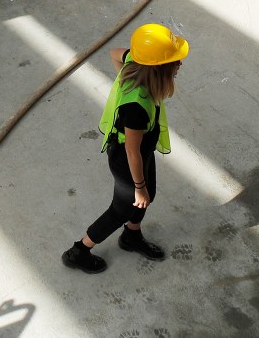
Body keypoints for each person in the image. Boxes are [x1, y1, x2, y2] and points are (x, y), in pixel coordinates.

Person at [62, 22, 188, 273]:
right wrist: (138, 187)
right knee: (122, 208)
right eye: (174, 60)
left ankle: (131, 236)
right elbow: (132, 150)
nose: (179, 64)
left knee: (146, 197)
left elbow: (113, 53)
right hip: (127, 160)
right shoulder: (136, 108)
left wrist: (144, 191)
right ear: (156, 67)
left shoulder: (136, 63)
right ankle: (79, 251)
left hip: (142, 154)